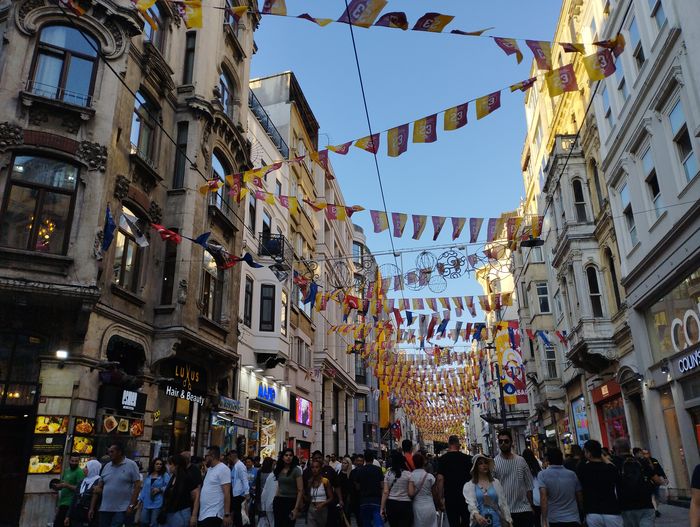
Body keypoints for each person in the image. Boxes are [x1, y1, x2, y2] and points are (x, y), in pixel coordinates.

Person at [89, 442, 141, 527]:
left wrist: (131, 505)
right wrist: (91, 508)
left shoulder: (131, 465)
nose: (109, 454)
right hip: (105, 508)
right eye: (109, 452)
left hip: (122, 509)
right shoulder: (107, 466)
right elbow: (98, 488)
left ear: (119, 452)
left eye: (112, 452)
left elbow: (137, 486)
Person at [613, 437, 661, 527]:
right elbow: (657, 481)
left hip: (626, 506)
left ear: (617, 450)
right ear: (629, 448)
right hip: (645, 504)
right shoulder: (641, 462)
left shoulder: (615, 464)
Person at [493, 429, 534, 527]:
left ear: (511, 442)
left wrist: (531, 505)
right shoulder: (494, 463)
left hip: (524, 510)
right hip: (505, 512)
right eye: (500, 441)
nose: (503, 443)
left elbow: (529, 486)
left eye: (506, 441)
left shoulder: (521, 461)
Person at [577, 439, 622, 527]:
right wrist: (602, 456)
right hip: (611, 510)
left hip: (593, 511)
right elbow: (613, 467)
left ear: (589, 453)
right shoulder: (610, 468)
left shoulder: (583, 469)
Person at [464, 454, 512, 527]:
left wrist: (509, 521)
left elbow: (503, 503)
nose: (484, 465)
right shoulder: (470, 485)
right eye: (480, 463)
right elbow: (471, 505)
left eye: (486, 463)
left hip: (497, 522)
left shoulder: (496, 483)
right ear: (476, 467)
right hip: (481, 523)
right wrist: (476, 515)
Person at [538, 448, 582, 527]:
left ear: (548, 460)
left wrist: (544, 520)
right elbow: (579, 497)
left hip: (554, 519)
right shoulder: (572, 474)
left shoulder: (542, 475)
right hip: (573, 518)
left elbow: (543, 498)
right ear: (562, 458)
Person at [436, 435, 472, 527]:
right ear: (458, 445)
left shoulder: (443, 459)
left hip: (450, 497)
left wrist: (440, 498)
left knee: (453, 522)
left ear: (449, 445)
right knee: (466, 522)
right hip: (466, 497)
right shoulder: (468, 459)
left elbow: (440, 479)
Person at [192, 446, 232, 527]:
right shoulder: (210, 469)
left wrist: (226, 514)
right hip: (204, 514)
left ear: (212, 456)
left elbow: (227, 493)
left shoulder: (223, 469)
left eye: (206, 456)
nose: (205, 458)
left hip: (214, 514)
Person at [160, 454, 201, 526]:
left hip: (181, 514)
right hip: (169, 513)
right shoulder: (173, 477)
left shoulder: (187, 477)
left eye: (170, 464)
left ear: (176, 466)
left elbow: (196, 496)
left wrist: (194, 516)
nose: (168, 466)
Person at [272, 448, 304, 527]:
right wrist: (275, 498)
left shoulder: (296, 470)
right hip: (279, 501)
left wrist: (296, 508)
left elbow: (300, 490)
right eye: (286, 455)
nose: (288, 457)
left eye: (290, 455)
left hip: (291, 502)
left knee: (289, 524)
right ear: (283, 457)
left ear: (293, 457)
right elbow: (279, 486)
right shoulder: (279, 469)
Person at [381, 450, 413, 527]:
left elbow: (385, 492)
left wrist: (382, 508)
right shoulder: (409, 474)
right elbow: (411, 493)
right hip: (405, 504)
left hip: (391, 504)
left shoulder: (388, 474)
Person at [353, 450, 385, 527]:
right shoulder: (378, 469)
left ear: (364, 459)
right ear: (373, 458)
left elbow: (357, 487)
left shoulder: (360, 470)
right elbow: (382, 485)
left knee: (366, 523)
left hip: (364, 500)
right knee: (378, 523)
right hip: (376, 500)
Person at [67, 459, 102, 527]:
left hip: (90, 516)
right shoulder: (82, 481)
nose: (84, 469)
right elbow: (74, 499)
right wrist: (68, 516)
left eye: (86, 467)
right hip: (77, 516)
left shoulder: (99, 482)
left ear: (92, 469)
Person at [55, 454, 86, 527]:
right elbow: (63, 484)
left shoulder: (79, 472)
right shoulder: (67, 470)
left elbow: (80, 489)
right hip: (62, 502)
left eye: (76, 461)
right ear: (69, 460)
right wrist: (58, 486)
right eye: (72, 461)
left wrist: (67, 485)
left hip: (70, 504)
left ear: (79, 461)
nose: (74, 463)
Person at [138, 457, 170, 527]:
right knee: (143, 521)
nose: (159, 465)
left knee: (154, 523)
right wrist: (140, 500)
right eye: (157, 464)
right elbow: (144, 489)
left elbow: (169, 487)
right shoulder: (149, 475)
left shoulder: (165, 475)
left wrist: (160, 489)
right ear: (153, 465)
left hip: (157, 502)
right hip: (146, 502)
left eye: (160, 464)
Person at [408, 453, 437, 527]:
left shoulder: (411, 476)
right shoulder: (430, 476)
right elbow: (435, 493)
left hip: (417, 507)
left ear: (414, 463)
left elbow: (410, 494)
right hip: (430, 505)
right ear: (423, 462)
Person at [306, 459, 335, 527]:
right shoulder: (310, 481)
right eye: (312, 467)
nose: (314, 469)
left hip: (322, 509)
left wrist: (322, 504)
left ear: (320, 468)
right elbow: (308, 496)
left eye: (317, 467)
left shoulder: (325, 481)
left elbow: (331, 497)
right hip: (312, 508)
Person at [522, 449, 542, 527]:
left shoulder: (523, 468)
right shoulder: (537, 467)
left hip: (527, 500)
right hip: (538, 498)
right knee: (538, 521)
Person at [229, 450, 249, 527]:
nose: (229, 459)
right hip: (236, 493)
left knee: (239, 515)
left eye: (230, 457)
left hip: (239, 494)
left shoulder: (240, 466)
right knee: (237, 515)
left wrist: (246, 492)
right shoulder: (236, 465)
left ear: (232, 456)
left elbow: (244, 479)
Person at [338, 456, 354, 523]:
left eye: (345, 463)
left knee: (346, 516)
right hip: (340, 497)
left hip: (348, 498)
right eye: (342, 463)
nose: (343, 464)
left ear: (348, 464)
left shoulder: (351, 474)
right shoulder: (339, 473)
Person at [245, 457, 258, 525]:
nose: (247, 463)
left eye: (249, 462)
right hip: (245, 494)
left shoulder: (256, 471)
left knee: (251, 511)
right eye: (246, 462)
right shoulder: (243, 470)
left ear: (252, 463)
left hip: (253, 494)